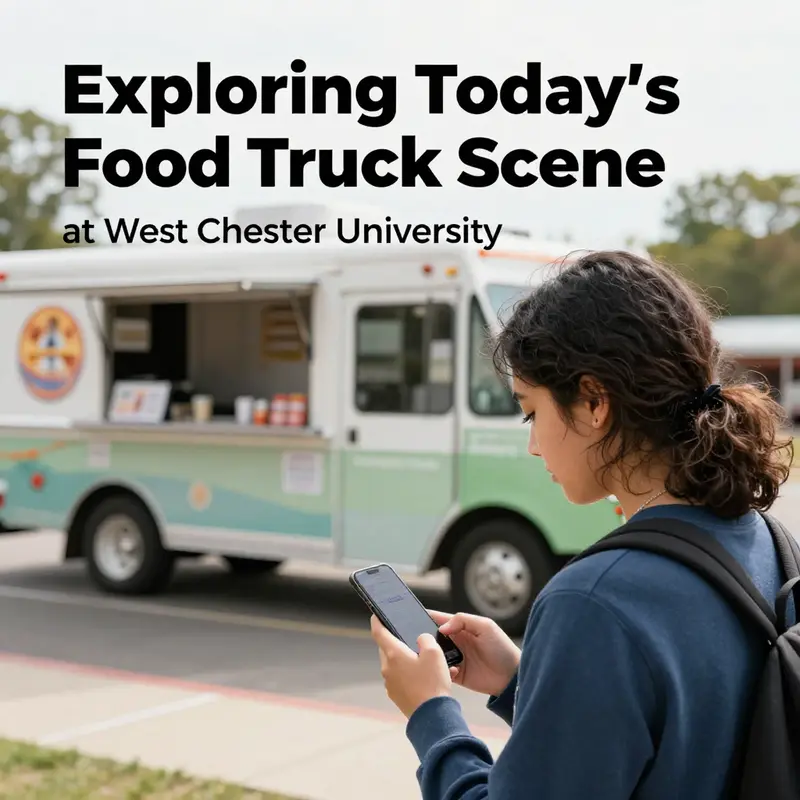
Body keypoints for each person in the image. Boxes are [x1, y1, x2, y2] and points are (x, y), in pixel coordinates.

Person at [368, 250, 795, 800]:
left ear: (595, 402)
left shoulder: (594, 601)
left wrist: (431, 714)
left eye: (530, 411)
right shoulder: (771, 543)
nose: (532, 442)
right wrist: (526, 682)